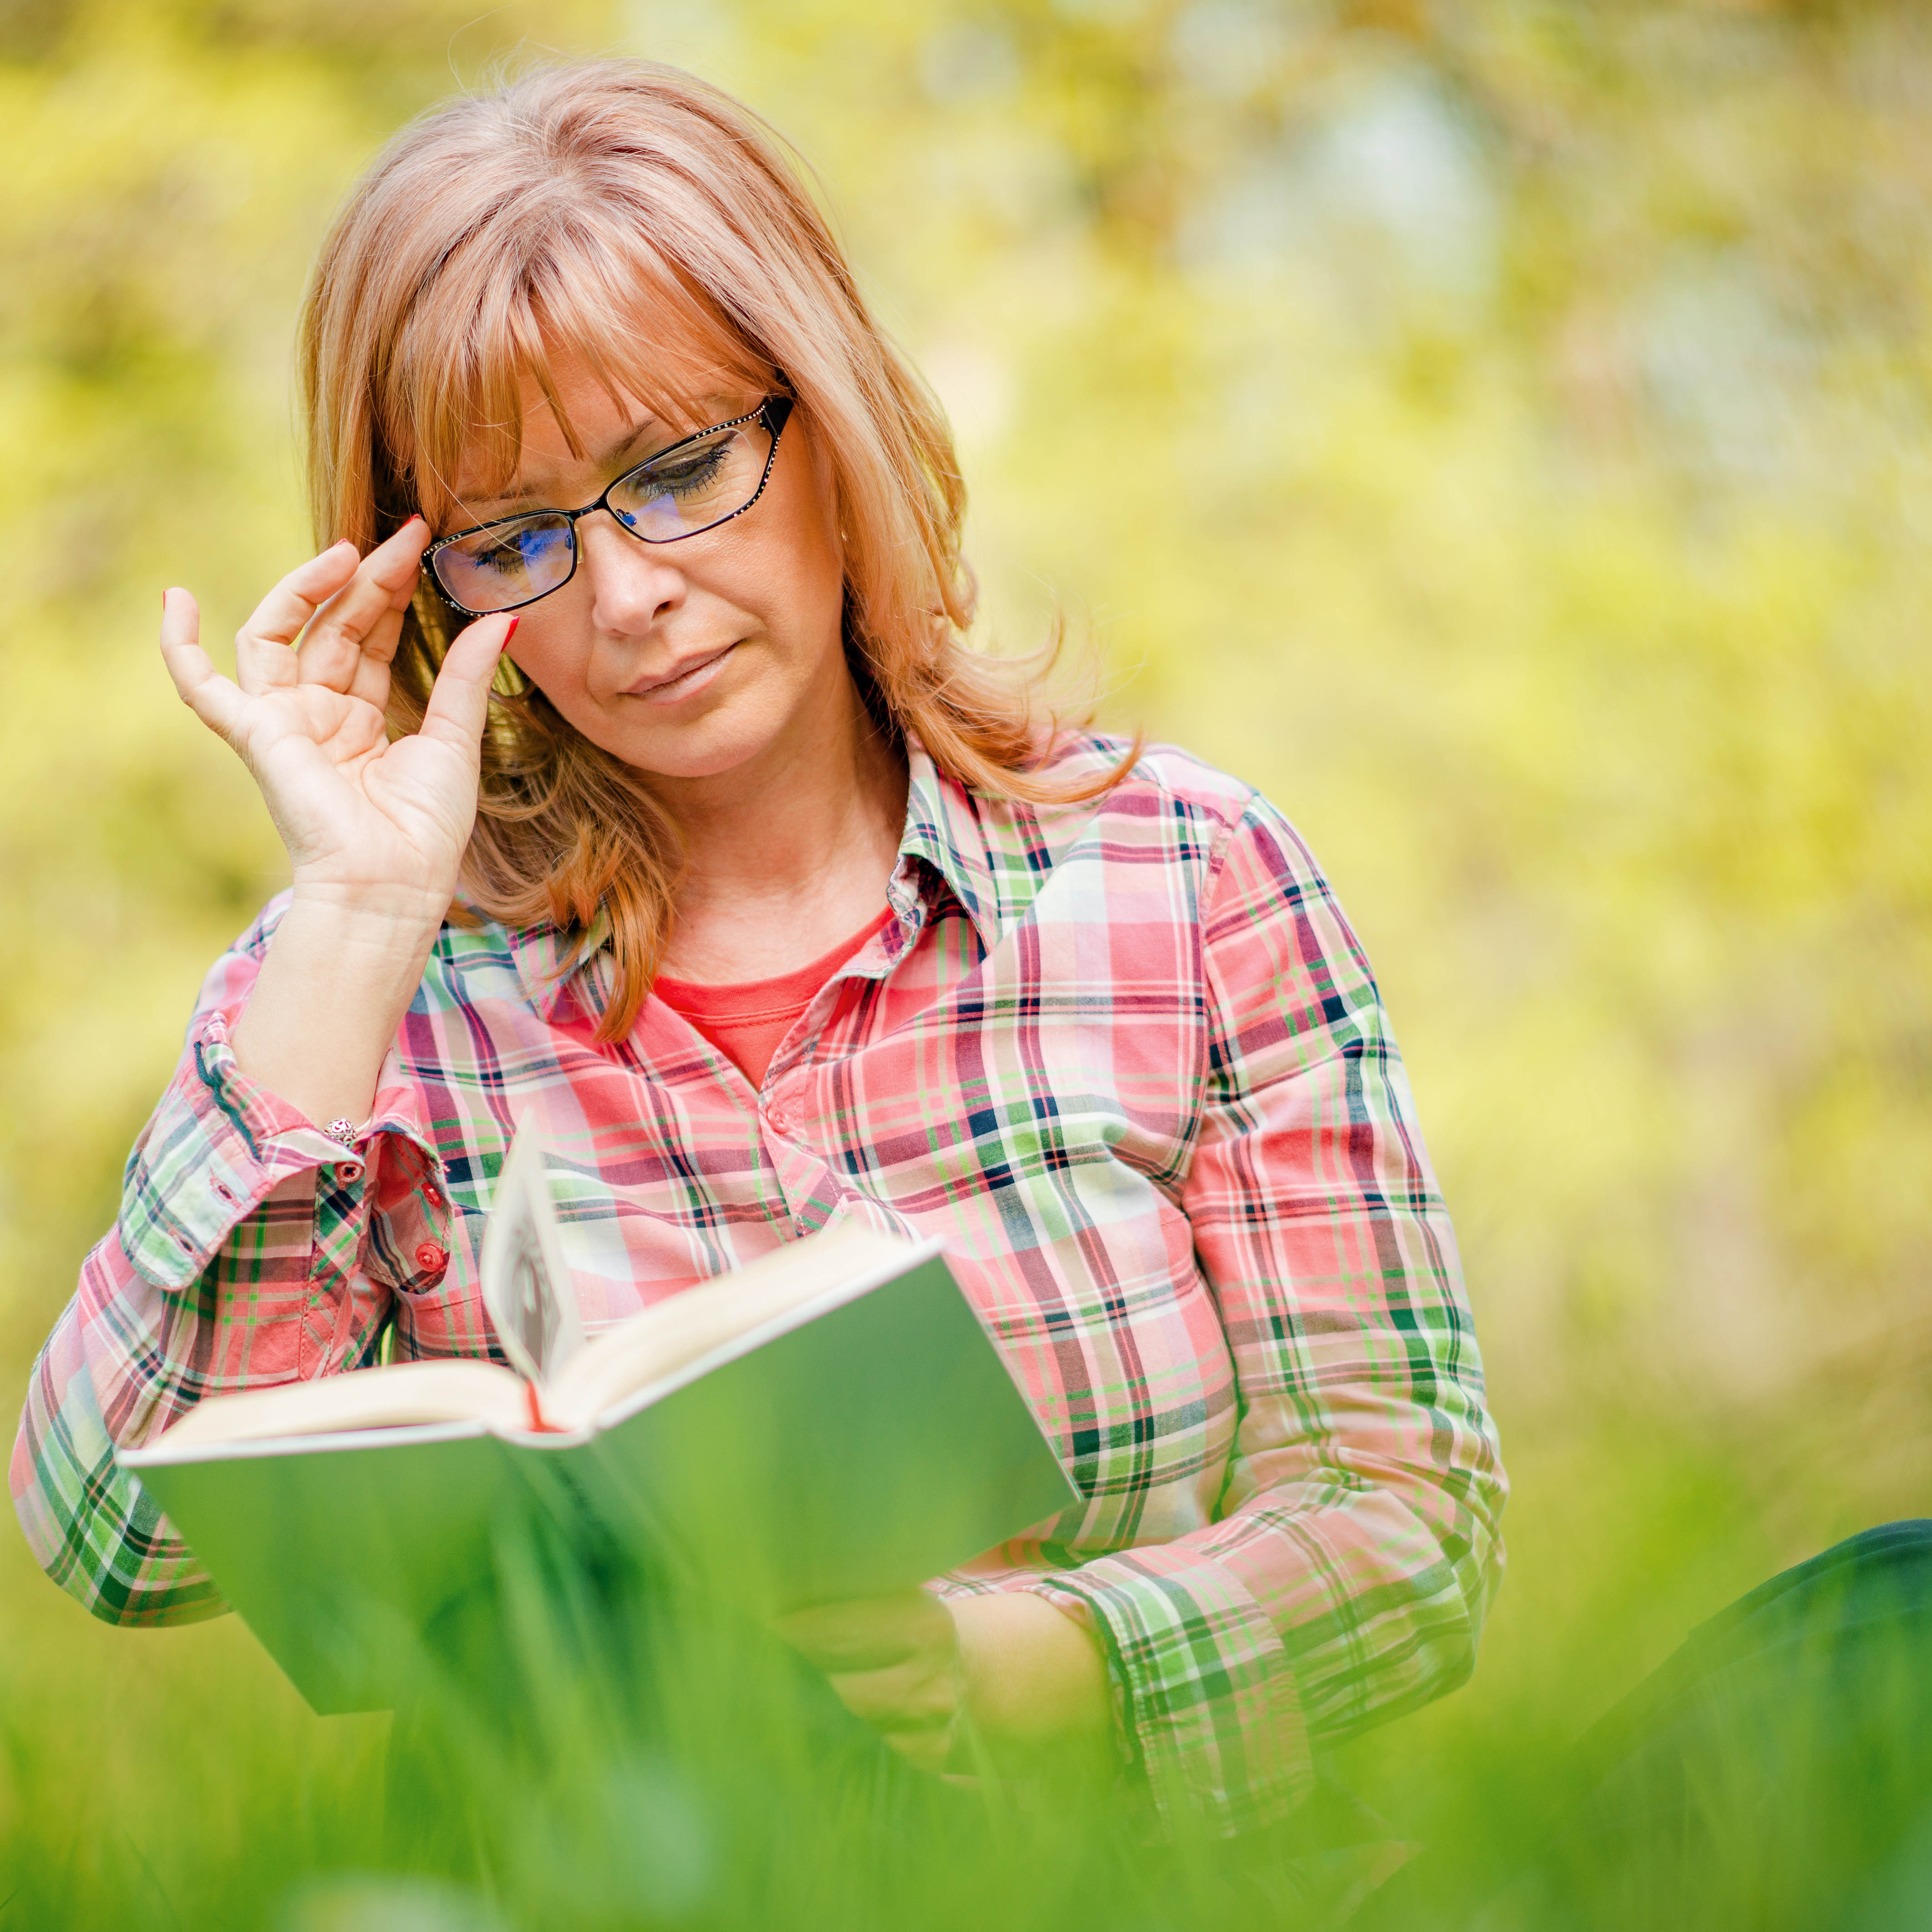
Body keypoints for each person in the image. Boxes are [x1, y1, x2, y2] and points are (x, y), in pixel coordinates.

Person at [10, 59, 1505, 1837]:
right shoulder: (371, 987)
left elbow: (1407, 1522)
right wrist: (354, 918)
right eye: (513, 540)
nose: (625, 594)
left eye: (680, 469)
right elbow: (116, 1536)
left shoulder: (1186, 877)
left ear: (830, 419)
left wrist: (1025, 1670)